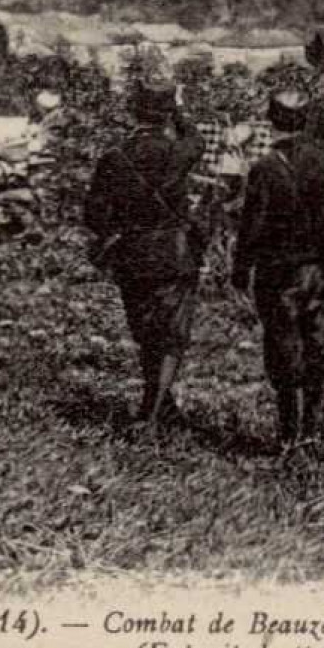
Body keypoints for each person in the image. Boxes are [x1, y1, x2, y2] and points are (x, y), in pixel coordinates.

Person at [84, 83, 206, 426]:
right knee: (171, 334)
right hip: (173, 252)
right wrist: (178, 111)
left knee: (145, 331)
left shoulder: (114, 157)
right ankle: (152, 415)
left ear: (132, 112)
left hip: (132, 254)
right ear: (166, 114)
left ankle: (160, 404)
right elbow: (198, 139)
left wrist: (119, 228)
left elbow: (93, 215)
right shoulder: (177, 151)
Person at [231, 89, 324, 448]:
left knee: (282, 346)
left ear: (272, 120)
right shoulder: (321, 160)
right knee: (316, 345)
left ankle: (288, 433)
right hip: (316, 268)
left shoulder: (265, 168)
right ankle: (310, 428)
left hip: (278, 271)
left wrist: (240, 267)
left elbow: (252, 225)